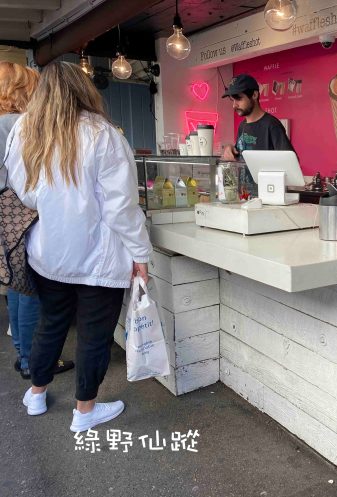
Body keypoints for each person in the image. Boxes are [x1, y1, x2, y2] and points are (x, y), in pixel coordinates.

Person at [4, 61, 152, 431]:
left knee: (51, 323)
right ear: (85, 90)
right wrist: (140, 253)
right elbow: (121, 207)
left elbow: (24, 192)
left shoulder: (25, 129)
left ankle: (36, 394)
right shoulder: (102, 133)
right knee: (93, 334)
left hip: (48, 253)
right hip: (98, 257)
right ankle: (84, 412)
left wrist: (53, 203)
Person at [0, 61, 74, 380]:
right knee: (30, 286)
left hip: (4, 213)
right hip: (21, 210)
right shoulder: (21, 123)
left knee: (16, 283)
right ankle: (34, 359)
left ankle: (22, 352)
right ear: (22, 90)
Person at [221, 74, 294, 160]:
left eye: (239, 99)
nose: (234, 105)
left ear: (254, 95)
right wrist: (230, 148)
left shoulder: (272, 125)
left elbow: (291, 160)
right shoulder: (242, 125)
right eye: (232, 100)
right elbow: (240, 153)